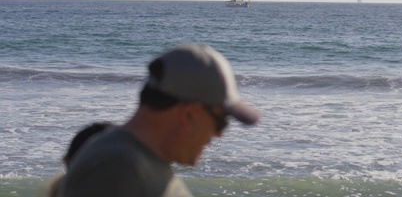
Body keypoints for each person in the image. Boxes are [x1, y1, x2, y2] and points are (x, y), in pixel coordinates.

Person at [56, 44, 260, 197]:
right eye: (221, 121)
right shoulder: (116, 168)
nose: (219, 134)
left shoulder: (138, 162)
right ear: (190, 114)